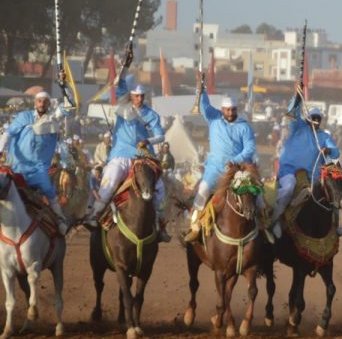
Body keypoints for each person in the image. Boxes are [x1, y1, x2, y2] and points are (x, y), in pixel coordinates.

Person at [87, 46, 170, 242]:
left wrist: (148, 140)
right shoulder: (123, 105)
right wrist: (126, 64)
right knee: (110, 181)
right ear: (130, 95)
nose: (139, 99)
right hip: (120, 154)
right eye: (136, 96)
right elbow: (120, 81)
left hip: (143, 157)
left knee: (159, 187)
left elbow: (161, 136)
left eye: (142, 96)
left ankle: (160, 224)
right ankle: (94, 216)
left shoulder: (150, 114)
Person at [184, 88, 260, 242]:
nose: (230, 113)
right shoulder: (214, 119)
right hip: (215, 168)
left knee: (257, 195)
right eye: (227, 110)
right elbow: (204, 106)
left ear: (236, 110)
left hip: (238, 169)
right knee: (203, 189)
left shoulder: (244, 126)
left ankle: (264, 225)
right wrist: (202, 89)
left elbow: (250, 148)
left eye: (233, 110)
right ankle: (194, 226)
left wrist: (236, 160)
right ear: (222, 110)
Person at [271, 90, 340, 239]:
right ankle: (275, 219)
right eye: (312, 118)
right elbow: (293, 113)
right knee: (288, 189)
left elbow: (336, 152)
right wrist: (297, 96)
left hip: (313, 178)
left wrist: (328, 150)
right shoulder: (297, 128)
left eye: (318, 118)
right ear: (307, 119)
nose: (315, 120)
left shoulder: (324, 136)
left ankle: (335, 224)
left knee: (333, 192)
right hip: (290, 172)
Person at [0, 89, 69, 234]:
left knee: (49, 190)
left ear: (49, 104)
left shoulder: (53, 121)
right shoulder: (24, 117)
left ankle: (60, 218)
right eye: (39, 101)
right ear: (35, 103)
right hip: (17, 167)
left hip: (39, 170)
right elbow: (7, 134)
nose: (42, 104)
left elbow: (69, 106)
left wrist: (64, 87)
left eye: (45, 101)